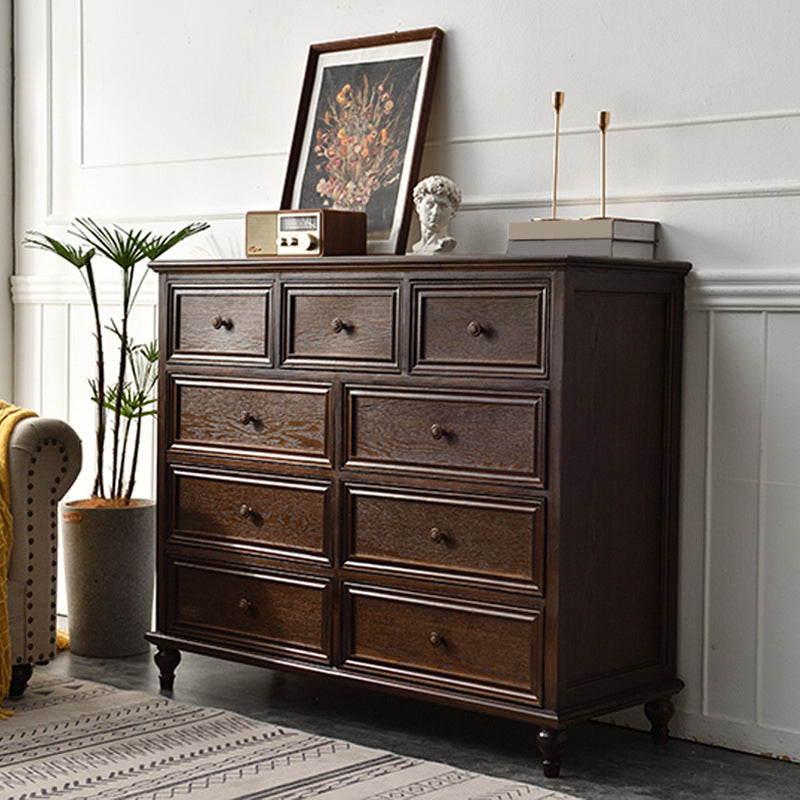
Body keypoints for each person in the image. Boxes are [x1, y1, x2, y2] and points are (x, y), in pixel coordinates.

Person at [410, 175, 462, 254]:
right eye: (430, 205)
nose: (435, 212)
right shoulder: (416, 247)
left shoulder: (446, 245)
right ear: (418, 208)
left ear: (452, 213)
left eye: (442, 206)